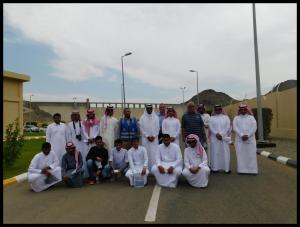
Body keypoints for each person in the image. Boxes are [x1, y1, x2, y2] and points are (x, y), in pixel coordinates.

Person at [233, 104, 258, 174]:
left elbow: (254, 127)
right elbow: (235, 128)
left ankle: (252, 170)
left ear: (247, 110)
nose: (243, 111)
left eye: (244, 109)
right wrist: (241, 135)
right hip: (240, 140)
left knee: (251, 155)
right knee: (240, 155)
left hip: (250, 140)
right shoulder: (236, 118)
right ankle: (241, 170)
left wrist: (248, 135)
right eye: (241, 109)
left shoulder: (251, 118)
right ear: (239, 110)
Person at [208, 105, 232, 173]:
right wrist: (216, 134)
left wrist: (221, 134)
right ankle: (215, 168)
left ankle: (226, 168)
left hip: (223, 137)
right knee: (215, 153)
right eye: (216, 109)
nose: (218, 110)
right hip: (214, 137)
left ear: (221, 110)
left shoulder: (226, 117)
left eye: (219, 109)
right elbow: (211, 127)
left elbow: (228, 126)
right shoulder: (211, 118)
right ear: (214, 110)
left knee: (225, 152)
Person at [139, 104, 160, 171]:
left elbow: (158, 128)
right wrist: (147, 136)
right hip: (145, 139)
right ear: (146, 109)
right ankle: (146, 169)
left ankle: (154, 169)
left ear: (152, 109)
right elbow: (141, 128)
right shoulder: (142, 117)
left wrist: (154, 136)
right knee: (146, 153)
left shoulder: (156, 117)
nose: (149, 110)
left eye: (150, 108)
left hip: (154, 139)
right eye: (148, 108)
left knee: (154, 154)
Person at [82, 109, 100, 176]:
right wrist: (88, 138)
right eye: (89, 113)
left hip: (94, 142)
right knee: (87, 157)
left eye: (92, 113)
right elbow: (83, 131)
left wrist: (94, 138)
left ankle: (96, 174)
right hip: (87, 142)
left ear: (93, 114)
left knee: (96, 157)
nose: (90, 115)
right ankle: (88, 174)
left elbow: (98, 130)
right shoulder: (84, 121)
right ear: (87, 114)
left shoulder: (97, 121)